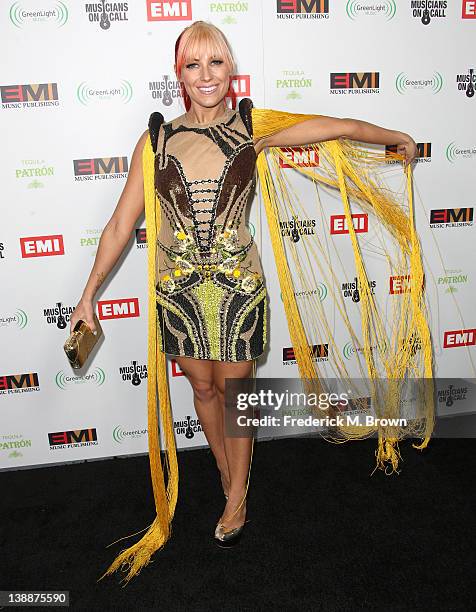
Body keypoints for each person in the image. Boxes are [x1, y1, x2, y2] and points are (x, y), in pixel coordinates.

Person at [70, 20, 421, 584]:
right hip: (178, 291)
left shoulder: (253, 127)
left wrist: (390, 135)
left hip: (238, 289)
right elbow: (118, 224)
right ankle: (227, 469)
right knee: (202, 388)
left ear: (230, 70)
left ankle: (235, 495)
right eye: (192, 65)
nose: (205, 76)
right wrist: (87, 296)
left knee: (234, 393)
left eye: (216, 63)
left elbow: (333, 125)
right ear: (179, 75)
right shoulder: (155, 139)